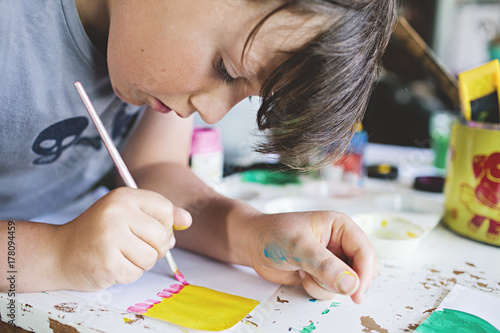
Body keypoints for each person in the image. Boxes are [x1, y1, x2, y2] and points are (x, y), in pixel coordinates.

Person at [0, 0, 396, 304]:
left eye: (247, 95)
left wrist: (253, 233)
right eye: (226, 69)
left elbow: (154, 170)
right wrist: (56, 255)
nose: (213, 112)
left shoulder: (154, 62)